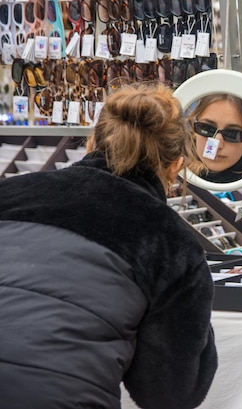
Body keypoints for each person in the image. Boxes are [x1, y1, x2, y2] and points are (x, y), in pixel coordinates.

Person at [0, 83, 218, 409]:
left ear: (92, 142)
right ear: (176, 165)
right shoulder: (170, 243)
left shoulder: (9, 194)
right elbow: (168, 394)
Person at [187, 93, 242, 183]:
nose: (218, 144)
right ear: (193, 127)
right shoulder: (172, 164)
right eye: (207, 128)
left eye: (232, 134)